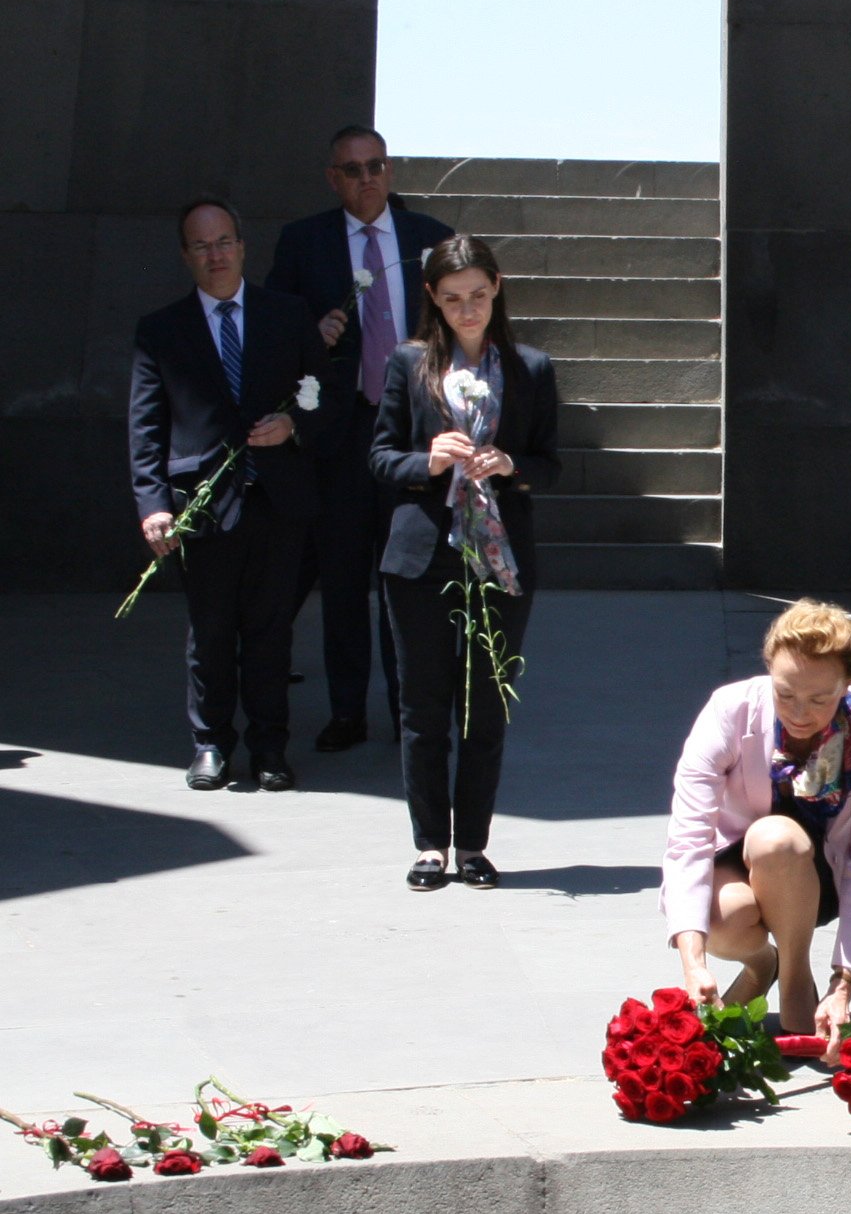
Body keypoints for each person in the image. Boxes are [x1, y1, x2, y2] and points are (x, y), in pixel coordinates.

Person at [369, 235, 558, 890]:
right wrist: (430, 461)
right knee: (423, 707)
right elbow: (380, 457)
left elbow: (552, 463)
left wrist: (510, 465)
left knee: (485, 705)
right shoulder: (410, 363)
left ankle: (473, 844)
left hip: (499, 555)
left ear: (497, 287)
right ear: (432, 299)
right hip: (421, 553)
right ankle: (430, 847)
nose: (467, 309)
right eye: (452, 299)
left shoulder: (530, 368)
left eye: (478, 295)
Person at [129, 197, 335, 792]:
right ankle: (211, 744)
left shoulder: (287, 313)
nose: (215, 254)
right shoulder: (161, 330)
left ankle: (270, 747)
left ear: (243, 247)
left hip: (278, 498)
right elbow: (146, 428)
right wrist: (154, 505)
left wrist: (294, 423)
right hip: (201, 504)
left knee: (271, 631)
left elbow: (327, 395)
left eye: (224, 242)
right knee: (211, 629)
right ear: (186, 256)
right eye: (201, 245)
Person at [266, 125, 453, 751]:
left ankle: (411, 711)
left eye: (375, 166)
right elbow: (271, 332)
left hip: (410, 433)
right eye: (351, 169)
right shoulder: (304, 242)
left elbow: (461, 324)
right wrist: (308, 334)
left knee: (406, 576)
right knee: (344, 576)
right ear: (333, 178)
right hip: (339, 436)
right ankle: (347, 711)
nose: (365, 178)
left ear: (390, 171)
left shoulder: (429, 239)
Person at [662, 600, 851, 1053]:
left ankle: (798, 980)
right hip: (736, 855)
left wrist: (843, 984)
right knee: (726, 917)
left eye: (820, 699)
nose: (799, 713)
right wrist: (692, 965)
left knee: (778, 840)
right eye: (785, 694)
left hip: (821, 873)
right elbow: (689, 838)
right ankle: (761, 965)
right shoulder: (729, 710)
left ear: (847, 684)